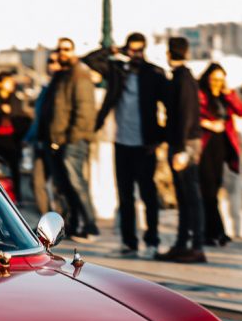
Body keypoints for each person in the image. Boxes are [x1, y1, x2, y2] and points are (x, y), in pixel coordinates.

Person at [83, 32, 168, 257]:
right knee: (125, 195)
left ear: (145, 50)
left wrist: (159, 138)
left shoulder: (155, 74)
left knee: (148, 195)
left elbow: (169, 107)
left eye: (140, 50)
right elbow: (89, 60)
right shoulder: (117, 71)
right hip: (121, 143)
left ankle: (152, 241)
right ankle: (129, 242)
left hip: (145, 144)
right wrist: (113, 51)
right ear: (127, 50)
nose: (136, 54)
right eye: (132, 50)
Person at [155, 36, 205, 263]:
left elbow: (185, 115)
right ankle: (183, 243)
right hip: (182, 142)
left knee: (190, 196)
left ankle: (196, 247)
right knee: (184, 196)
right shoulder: (181, 77)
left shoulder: (183, 79)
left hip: (185, 144)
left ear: (168, 53)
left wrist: (182, 149)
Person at [45, 37, 99, 240]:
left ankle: (91, 226)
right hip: (59, 140)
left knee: (77, 183)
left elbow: (85, 112)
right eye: (59, 49)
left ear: (74, 51)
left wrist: (69, 138)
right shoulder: (63, 76)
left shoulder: (80, 75)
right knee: (65, 186)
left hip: (73, 141)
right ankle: (75, 224)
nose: (62, 53)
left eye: (67, 49)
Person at [197, 62, 242, 248]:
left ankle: (213, 232)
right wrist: (208, 124)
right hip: (205, 145)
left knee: (214, 189)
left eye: (220, 79)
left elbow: (241, 111)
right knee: (207, 190)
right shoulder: (200, 94)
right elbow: (194, 115)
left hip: (221, 147)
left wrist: (230, 94)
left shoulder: (225, 97)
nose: (217, 83)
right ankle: (215, 231)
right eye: (214, 79)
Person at [24, 56, 63, 215]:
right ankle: (47, 219)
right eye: (50, 61)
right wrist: (28, 137)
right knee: (37, 182)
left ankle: (61, 221)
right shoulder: (45, 88)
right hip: (40, 142)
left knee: (57, 185)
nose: (52, 65)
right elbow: (38, 118)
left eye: (56, 62)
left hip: (56, 143)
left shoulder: (62, 87)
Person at [0, 71, 31, 199]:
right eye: (8, 81)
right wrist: (0, 110)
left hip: (12, 141)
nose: (11, 84)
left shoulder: (16, 99)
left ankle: (16, 197)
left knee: (14, 170)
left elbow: (21, 118)